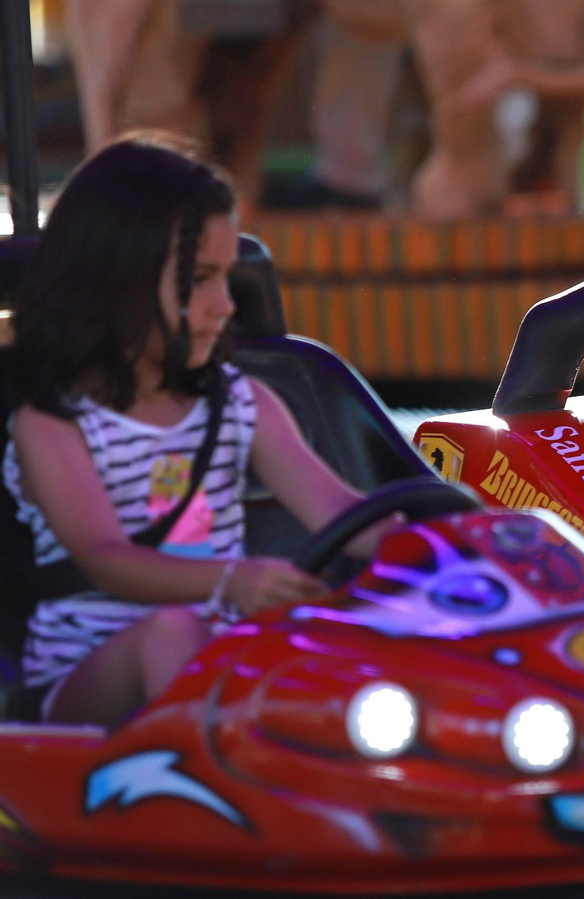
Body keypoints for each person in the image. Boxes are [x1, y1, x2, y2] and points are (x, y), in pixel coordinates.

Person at [3, 136, 385, 728]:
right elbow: (107, 559)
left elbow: (340, 510)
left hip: (220, 664)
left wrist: (452, 543)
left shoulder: (240, 403)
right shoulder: (52, 425)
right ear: (116, 284)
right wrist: (234, 581)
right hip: (78, 693)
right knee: (170, 634)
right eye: (201, 279)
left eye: (228, 278)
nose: (225, 305)